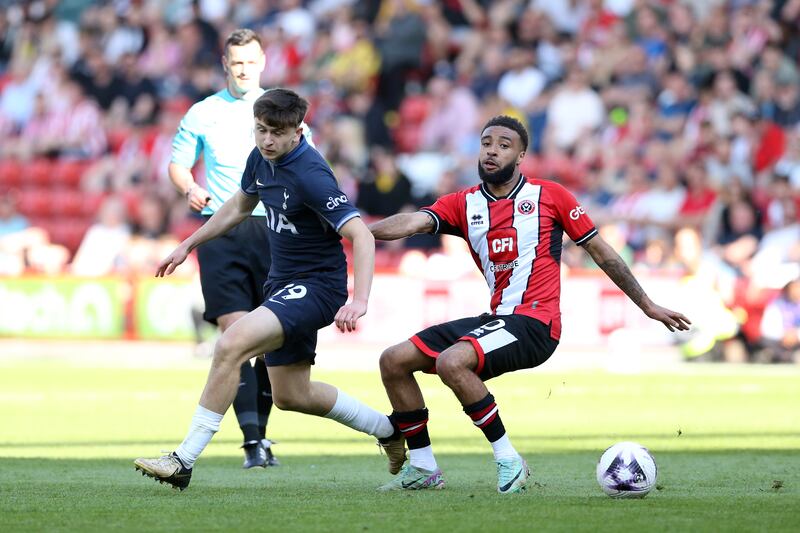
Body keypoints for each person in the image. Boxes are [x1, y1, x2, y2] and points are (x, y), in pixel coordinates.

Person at [369, 115, 691, 494]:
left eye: (504, 145)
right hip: (499, 317)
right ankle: (423, 467)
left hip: (537, 323)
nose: (493, 150)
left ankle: (508, 459)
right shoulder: (464, 203)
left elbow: (602, 253)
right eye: (487, 142)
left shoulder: (550, 196)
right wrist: (354, 230)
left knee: (451, 361)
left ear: (521, 155)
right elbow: (411, 222)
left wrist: (647, 304)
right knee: (394, 360)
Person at [134, 88, 405, 490]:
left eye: (276, 133)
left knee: (230, 344)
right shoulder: (260, 158)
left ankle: (183, 460)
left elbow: (360, 235)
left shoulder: (311, 174)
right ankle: (390, 431)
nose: (267, 140)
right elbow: (239, 206)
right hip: (282, 283)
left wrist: (358, 299)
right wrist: (189, 243)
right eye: (261, 130)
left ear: (299, 131)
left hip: (316, 286)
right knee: (292, 394)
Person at [167, 29, 309, 468]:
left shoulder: (279, 109)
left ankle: (259, 438)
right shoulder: (202, 112)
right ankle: (253, 442)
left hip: (275, 229)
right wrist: (190, 185)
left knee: (266, 340)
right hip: (222, 229)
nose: (244, 69)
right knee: (235, 333)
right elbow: (177, 162)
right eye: (236, 62)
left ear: (263, 61)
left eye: (250, 62)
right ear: (225, 64)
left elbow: (309, 162)